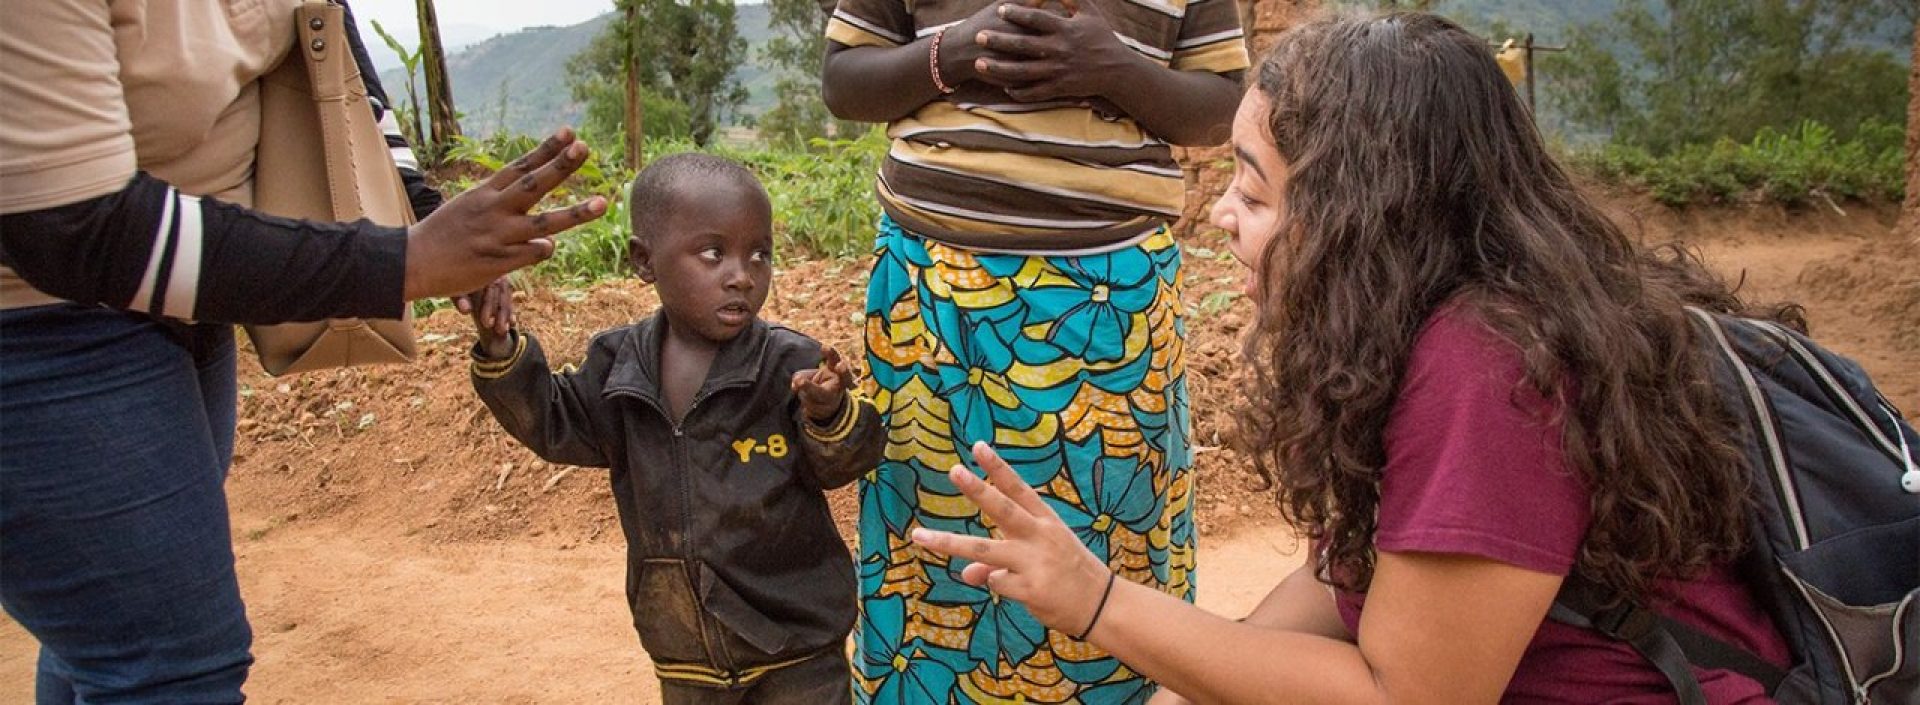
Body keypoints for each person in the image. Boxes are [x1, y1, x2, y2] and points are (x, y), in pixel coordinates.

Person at [911, 12, 1798, 704]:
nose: (1222, 215)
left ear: (1358, 216)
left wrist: (1100, 603)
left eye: (1255, 191)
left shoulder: (1488, 368)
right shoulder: (1414, 331)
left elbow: (1407, 692)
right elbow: (1340, 576)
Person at [0, 1, 605, 701]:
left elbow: (330, 39)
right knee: (171, 664)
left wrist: (424, 210)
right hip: (38, 320)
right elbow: (73, 227)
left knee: (109, 637)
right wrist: (401, 262)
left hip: (187, 295)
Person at [820, 0, 1246, 700]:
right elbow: (844, 80)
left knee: (1110, 548)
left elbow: (1219, 105)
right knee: (933, 553)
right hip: (929, 296)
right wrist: (947, 56)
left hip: (1109, 309)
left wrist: (1113, 67)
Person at [465, 153, 886, 704]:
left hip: (797, 651)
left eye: (760, 255)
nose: (742, 275)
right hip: (685, 652)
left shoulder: (789, 364)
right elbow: (553, 420)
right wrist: (502, 350)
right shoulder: (618, 366)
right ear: (645, 260)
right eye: (713, 254)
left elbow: (843, 465)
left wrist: (829, 415)